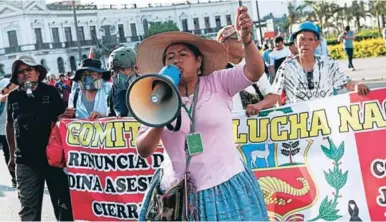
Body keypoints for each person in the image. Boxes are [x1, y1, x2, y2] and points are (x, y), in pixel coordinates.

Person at [135, 6, 268, 221]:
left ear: (198, 62)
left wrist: (247, 41)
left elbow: (254, 71)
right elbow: (143, 149)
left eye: (183, 55)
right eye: (170, 57)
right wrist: (160, 113)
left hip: (224, 186)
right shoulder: (155, 95)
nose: (176, 60)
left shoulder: (218, 81)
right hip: (175, 194)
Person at [6, 55, 73, 221]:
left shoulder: (50, 92)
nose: (25, 74)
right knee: (28, 209)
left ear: (37, 72)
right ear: (16, 76)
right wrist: (12, 154)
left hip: (53, 160)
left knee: (63, 206)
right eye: (21, 71)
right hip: (26, 161)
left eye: (29, 69)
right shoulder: (13, 97)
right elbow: (10, 126)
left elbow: (62, 121)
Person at [272, 21, 369, 105]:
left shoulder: (328, 63)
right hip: (300, 122)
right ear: (295, 42)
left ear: (317, 43)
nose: (306, 43)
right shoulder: (287, 66)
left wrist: (357, 86)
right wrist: (259, 106)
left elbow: (346, 82)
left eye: (310, 39)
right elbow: (274, 94)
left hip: (327, 119)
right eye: (302, 39)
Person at [216, 24, 279, 115]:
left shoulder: (252, 67)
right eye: (236, 37)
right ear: (224, 45)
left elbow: (273, 97)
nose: (241, 41)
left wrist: (259, 105)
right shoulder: (216, 74)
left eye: (241, 37)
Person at [107, 46, 140, 117]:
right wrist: (101, 116)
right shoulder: (114, 91)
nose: (118, 74)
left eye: (123, 69)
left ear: (136, 68)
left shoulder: (148, 87)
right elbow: (112, 116)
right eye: (115, 71)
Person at [0, 78, 16, 187]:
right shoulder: (3, 98)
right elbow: (4, 98)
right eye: (10, 85)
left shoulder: (16, 97)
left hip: (16, 131)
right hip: (3, 134)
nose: (13, 86)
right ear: (4, 89)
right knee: (8, 155)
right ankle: (14, 177)